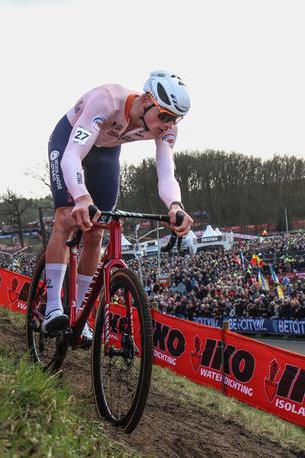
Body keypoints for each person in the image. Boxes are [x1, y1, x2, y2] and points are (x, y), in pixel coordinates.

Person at [41, 71, 194, 344]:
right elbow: (73, 156)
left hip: (106, 154)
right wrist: (81, 197)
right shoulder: (107, 100)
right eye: (164, 116)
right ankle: (53, 307)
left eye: (175, 119)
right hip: (70, 141)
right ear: (146, 100)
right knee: (66, 218)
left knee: (96, 232)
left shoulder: (168, 128)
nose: (168, 124)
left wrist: (175, 205)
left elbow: (166, 172)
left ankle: (80, 315)